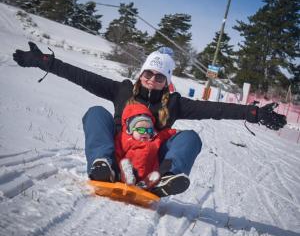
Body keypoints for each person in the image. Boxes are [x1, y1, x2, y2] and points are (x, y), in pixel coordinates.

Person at [12, 42, 287, 197]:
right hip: (117, 155)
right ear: (141, 74)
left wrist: (253, 113)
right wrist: (45, 62)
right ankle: (102, 164)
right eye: (148, 74)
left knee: (191, 137)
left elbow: (216, 109)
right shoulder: (121, 90)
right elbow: (82, 77)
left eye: (159, 77)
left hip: (151, 165)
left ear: (166, 81)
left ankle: (166, 178)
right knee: (96, 112)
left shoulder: (175, 104)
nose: (152, 80)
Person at [115, 102, 177, 190]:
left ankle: (144, 184)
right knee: (125, 164)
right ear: (131, 130)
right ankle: (127, 177)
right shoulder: (126, 139)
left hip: (147, 175)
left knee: (155, 174)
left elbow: (164, 134)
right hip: (130, 169)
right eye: (140, 129)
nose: (145, 132)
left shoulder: (154, 141)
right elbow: (117, 152)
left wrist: (175, 131)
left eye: (149, 131)